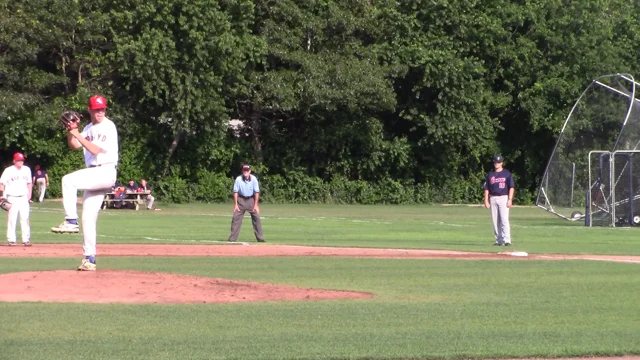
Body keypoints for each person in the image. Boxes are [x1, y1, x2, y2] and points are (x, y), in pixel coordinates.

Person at [51, 95, 118, 272]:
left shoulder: (108, 126)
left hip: (104, 170)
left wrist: (77, 133)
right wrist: (71, 130)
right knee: (88, 218)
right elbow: (74, 145)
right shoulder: (88, 128)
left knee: (68, 180)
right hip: (96, 174)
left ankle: (70, 221)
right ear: (90, 110)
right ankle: (90, 259)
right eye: (97, 109)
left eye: (102, 108)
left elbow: (95, 149)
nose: (100, 112)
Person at [0, 152, 33, 246]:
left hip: (23, 197)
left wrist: (29, 195)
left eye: (22, 160)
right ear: (14, 161)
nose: (20, 162)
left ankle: (26, 239)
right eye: (18, 160)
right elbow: (2, 183)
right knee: (12, 219)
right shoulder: (8, 170)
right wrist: (2, 196)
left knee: (25, 218)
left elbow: (29, 183)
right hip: (11, 197)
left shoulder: (27, 170)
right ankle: (11, 239)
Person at [228, 164, 265, 243]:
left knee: (256, 218)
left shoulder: (254, 179)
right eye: (244, 170)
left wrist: (256, 205)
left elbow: (257, 192)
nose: (245, 172)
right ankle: (232, 239)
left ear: (250, 171)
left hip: (251, 200)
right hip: (241, 200)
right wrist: (236, 204)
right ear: (242, 171)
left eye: (247, 170)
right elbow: (235, 192)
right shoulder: (238, 179)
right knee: (235, 218)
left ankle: (260, 238)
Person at [483, 155, 515, 246]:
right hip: (493, 197)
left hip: (503, 197)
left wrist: (510, 199)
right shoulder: (490, 174)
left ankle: (507, 240)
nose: (496, 164)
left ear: (502, 163)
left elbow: (511, 187)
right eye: (495, 162)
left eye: (498, 162)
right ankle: (498, 240)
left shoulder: (506, 173)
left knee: (504, 220)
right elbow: (486, 188)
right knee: (495, 220)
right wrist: (486, 200)